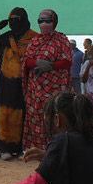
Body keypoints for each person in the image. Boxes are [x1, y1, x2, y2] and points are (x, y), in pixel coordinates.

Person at [0, 8, 39, 160]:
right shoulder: (7, 36)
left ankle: (22, 148)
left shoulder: (34, 38)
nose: (14, 22)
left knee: (24, 114)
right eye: (11, 19)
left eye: (17, 19)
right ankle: (4, 148)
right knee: (5, 114)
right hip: (6, 82)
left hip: (26, 82)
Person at [21, 9, 73, 151]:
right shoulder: (34, 41)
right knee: (37, 118)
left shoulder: (62, 40)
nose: (44, 24)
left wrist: (50, 67)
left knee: (55, 117)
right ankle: (40, 149)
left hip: (56, 87)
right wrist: (37, 63)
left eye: (47, 21)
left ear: (54, 22)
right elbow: (26, 60)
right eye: (40, 21)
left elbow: (67, 61)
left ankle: (56, 148)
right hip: (36, 89)